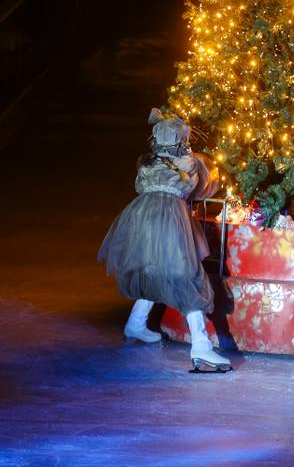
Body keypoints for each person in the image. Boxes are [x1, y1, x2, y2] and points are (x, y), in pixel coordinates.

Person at [98, 109, 231, 373]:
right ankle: (201, 346)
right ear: (182, 142)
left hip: (141, 216)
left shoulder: (147, 164)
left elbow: (140, 186)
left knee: (152, 269)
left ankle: (136, 323)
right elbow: (204, 188)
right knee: (185, 276)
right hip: (170, 220)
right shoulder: (190, 165)